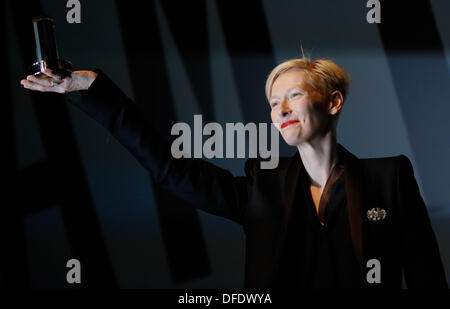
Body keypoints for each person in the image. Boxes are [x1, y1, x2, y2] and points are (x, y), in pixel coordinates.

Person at [20, 58, 448, 288]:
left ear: (333, 103)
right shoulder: (260, 189)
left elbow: (428, 277)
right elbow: (170, 169)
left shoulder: (389, 178)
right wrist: (92, 90)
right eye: (272, 102)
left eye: (293, 95)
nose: (278, 110)